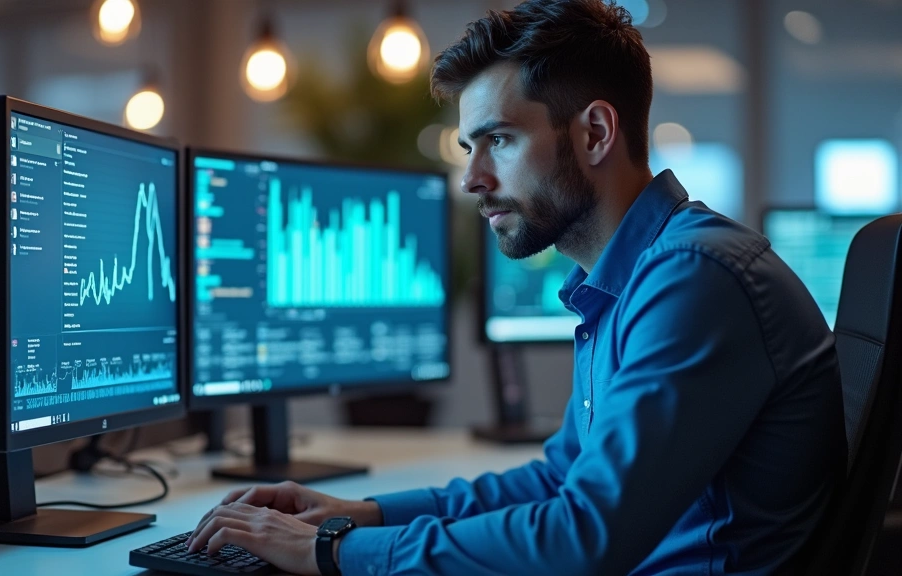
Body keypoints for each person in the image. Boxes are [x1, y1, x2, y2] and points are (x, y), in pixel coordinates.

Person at [186, 1, 846, 574]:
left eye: (497, 140)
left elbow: (584, 538)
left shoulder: (695, 278)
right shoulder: (628, 279)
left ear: (594, 133)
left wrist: (329, 551)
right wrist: (359, 514)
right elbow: (559, 480)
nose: (472, 179)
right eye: (469, 147)